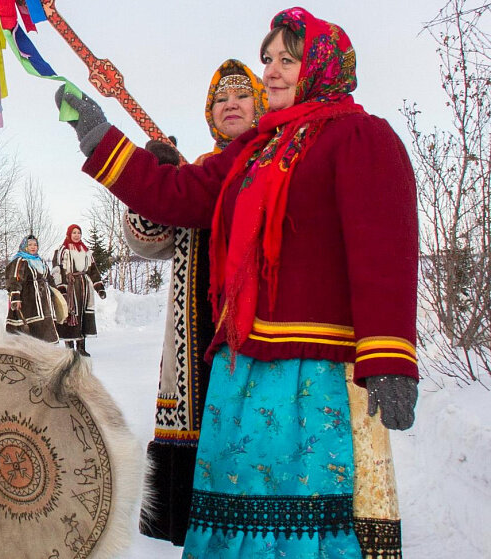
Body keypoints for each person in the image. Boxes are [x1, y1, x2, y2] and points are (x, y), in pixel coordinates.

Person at [57, 7, 416, 558]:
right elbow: (177, 194)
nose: (271, 71)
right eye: (268, 58)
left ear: (321, 66)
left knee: (308, 515)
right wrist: (101, 140)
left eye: (287, 61)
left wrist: (389, 356)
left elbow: (383, 250)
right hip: (240, 368)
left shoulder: (358, 137)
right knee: (236, 514)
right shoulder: (256, 151)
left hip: (313, 366)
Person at [123, 60, 266, 546]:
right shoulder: (196, 175)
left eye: (242, 95)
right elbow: (147, 240)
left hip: (258, 334)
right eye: (221, 99)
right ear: (211, 115)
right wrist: (157, 175)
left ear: (259, 105)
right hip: (195, 340)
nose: (231, 103)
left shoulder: (275, 166)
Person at [52, 224, 106, 356]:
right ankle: (69, 346)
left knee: (82, 315)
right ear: (69, 234)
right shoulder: (62, 250)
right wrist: (62, 289)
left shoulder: (86, 250)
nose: (76, 235)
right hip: (70, 286)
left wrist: (99, 287)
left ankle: (81, 347)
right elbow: (57, 270)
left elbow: (93, 270)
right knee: (70, 314)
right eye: (74, 232)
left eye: (79, 233)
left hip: (84, 287)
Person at [5, 234, 60, 343]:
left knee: (45, 328)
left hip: (44, 302)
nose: (33, 247)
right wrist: (15, 298)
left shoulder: (41, 261)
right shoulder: (20, 261)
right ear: (24, 246)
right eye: (30, 245)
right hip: (28, 301)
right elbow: (14, 280)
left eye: (35, 245)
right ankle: (31, 353)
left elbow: (49, 279)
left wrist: (55, 293)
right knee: (30, 329)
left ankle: (46, 353)